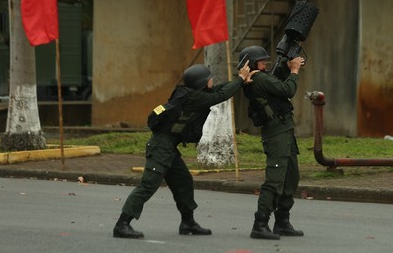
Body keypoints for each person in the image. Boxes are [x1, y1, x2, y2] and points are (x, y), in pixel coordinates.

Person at [113, 62, 254, 239]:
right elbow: (221, 95)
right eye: (209, 79)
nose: (212, 81)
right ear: (202, 83)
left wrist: (241, 81)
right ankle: (122, 223)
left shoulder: (193, 94)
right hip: (160, 147)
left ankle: (188, 222)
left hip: (169, 148)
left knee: (184, 181)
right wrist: (240, 78)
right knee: (148, 185)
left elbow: (219, 89)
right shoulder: (192, 98)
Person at [239, 46, 306, 240]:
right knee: (274, 181)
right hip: (276, 135)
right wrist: (294, 70)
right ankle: (260, 224)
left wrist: (286, 66)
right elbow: (288, 89)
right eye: (261, 61)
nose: (265, 63)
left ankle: (282, 222)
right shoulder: (259, 79)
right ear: (251, 63)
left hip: (284, 132)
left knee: (291, 177)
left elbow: (276, 82)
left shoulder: (262, 77)